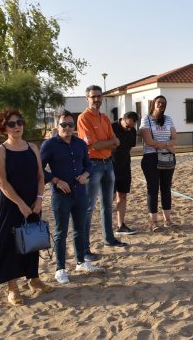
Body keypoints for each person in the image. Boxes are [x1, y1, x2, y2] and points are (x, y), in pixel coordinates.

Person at [0, 108, 53, 305]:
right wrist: (21, 204)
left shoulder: (32, 147)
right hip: (10, 205)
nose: (17, 126)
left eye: (20, 122)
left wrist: (39, 199)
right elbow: (2, 183)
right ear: (4, 128)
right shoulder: (0, 151)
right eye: (12, 124)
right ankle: (13, 287)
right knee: (9, 246)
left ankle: (34, 279)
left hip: (33, 203)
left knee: (32, 240)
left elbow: (41, 176)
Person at [40, 110, 103, 284]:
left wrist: (85, 175)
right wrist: (56, 180)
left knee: (80, 229)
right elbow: (38, 168)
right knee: (61, 232)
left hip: (80, 193)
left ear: (74, 126)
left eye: (70, 125)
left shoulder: (80, 144)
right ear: (57, 126)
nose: (67, 128)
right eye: (63, 125)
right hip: (61, 196)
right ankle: (60, 268)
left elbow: (89, 165)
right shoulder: (49, 145)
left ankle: (81, 261)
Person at [77, 85, 126, 261]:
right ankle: (84, 248)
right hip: (92, 166)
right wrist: (109, 142)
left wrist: (106, 142)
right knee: (88, 208)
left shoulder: (105, 117)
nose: (97, 99)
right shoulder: (83, 118)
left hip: (108, 164)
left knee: (107, 205)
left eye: (99, 96)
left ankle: (109, 238)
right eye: (93, 97)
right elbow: (93, 145)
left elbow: (116, 142)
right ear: (87, 99)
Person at [139, 95, 178, 231]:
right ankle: (154, 221)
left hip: (167, 157)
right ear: (153, 104)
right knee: (153, 189)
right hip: (151, 158)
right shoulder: (146, 119)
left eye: (163, 103)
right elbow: (148, 141)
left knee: (166, 188)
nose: (161, 105)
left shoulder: (168, 119)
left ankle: (167, 220)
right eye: (159, 102)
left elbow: (174, 138)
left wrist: (165, 145)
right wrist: (168, 145)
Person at [111, 111, 139, 235]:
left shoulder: (132, 131)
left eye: (132, 127)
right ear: (122, 119)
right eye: (127, 126)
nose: (129, 129)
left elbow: (130, 146)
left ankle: (121, 225)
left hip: (125, 166)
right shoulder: (111, 127)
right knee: (109, 197)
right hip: (110, 166)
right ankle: (106, 227)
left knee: (122, 195)